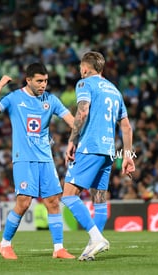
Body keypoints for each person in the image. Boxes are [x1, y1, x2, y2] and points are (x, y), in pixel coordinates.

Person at [0, 62, 75, 260]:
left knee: (52, 202)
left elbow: (72, 121)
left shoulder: (50, 100)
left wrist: (75, 138)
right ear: (28, 80)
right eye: (39, 81)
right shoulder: (15, 98)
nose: (43, 85)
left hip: (46, 159)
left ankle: (58, 248)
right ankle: (5, 244)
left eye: (46, 81)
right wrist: (0, 86)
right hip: (24, 158)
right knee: (24, 203)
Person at [60, 51, 135, 261]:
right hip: (109, 151)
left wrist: (72, 140)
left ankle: (97, 238)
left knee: (68, 195)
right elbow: (126, 126)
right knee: (99, 198)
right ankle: (93, 246)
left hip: (90, 146)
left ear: (85, 68)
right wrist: (127, 156)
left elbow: (82, 112)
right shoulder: (115, 90)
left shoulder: (84, 84)